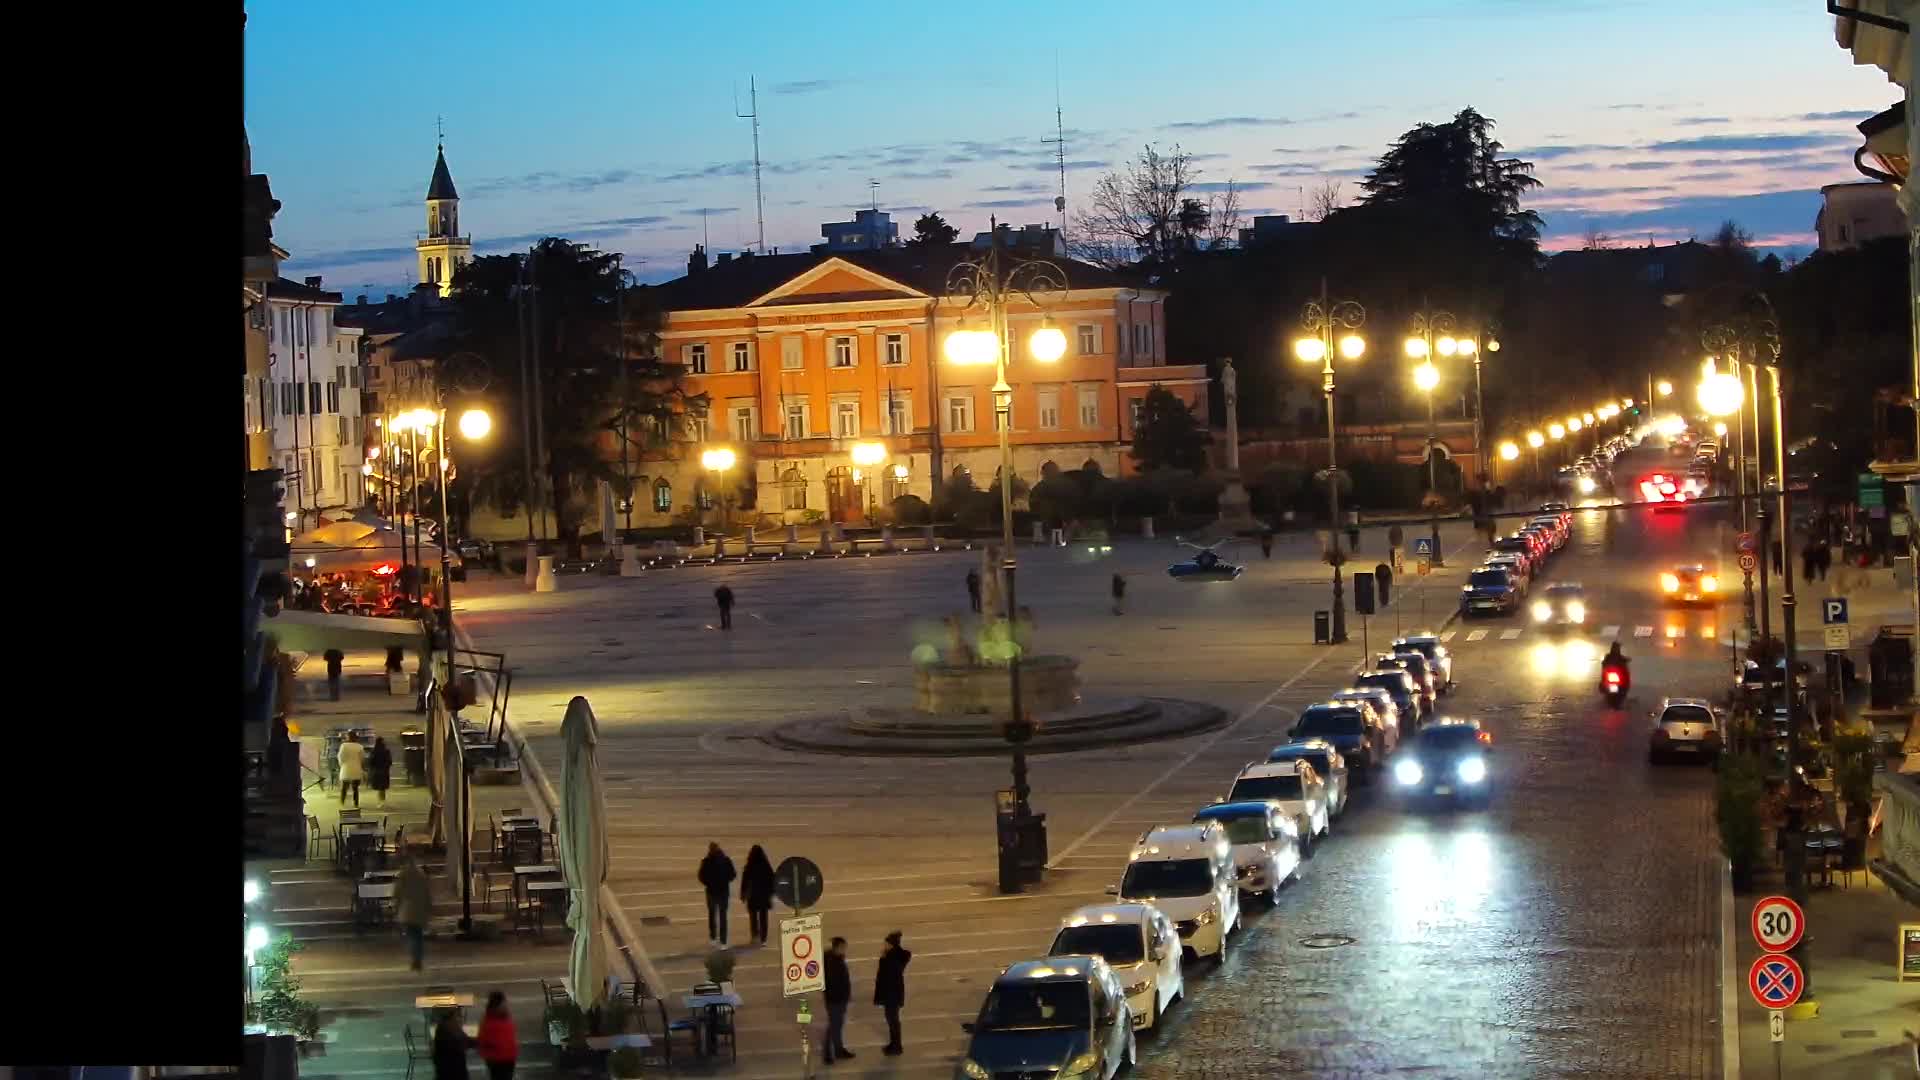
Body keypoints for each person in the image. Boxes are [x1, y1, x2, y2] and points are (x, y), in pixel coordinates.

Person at [873, 930, 911, 1056]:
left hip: (891, 996)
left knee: (893, 1021)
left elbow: (885, 978)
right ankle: (894, 1044)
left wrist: (884, 958)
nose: (884, 946)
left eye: (887, 944)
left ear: (892, 945)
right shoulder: (898, 956)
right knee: (893, 1021)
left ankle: (896, 1046)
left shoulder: (891, 959)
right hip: (894, 994)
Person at [698, 842, 736, 947]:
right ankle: (723, 940)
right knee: (723, 916)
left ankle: (713, 937)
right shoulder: (726, 860)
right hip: (723, 891)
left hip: (711, 892)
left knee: (712, 915)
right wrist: (725, 881)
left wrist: (708, 883)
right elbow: (733, 874)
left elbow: (701, 876)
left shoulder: (706, 861)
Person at [397, 856, 432, 971]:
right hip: (419, 910)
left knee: (411, 935)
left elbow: (397, 892)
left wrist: (396, 907)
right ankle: (417, 958)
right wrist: (429, 908)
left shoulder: (403, 875)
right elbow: (427, 894)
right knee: (418, 936)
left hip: (407, 910)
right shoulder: (421, 875)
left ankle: (415, 958)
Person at [823, 936, 854, 1064]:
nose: (845, 950)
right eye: (843, 947)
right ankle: (829, 1053)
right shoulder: (832, 962)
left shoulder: (833, 958)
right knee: (834, 1026)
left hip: (837, 999)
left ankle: (838, 1049)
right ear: (837, 948)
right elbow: (835, 982)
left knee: (836, 1026)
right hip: (835, 1000)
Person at [475, 991, 517, 1080]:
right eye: (503, 1004)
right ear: (496, 1006)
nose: (506, 1006)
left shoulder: (504, 1017)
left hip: (507, 1058)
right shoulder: (489, 1022)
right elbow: (484, 1041)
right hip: (497, 1060)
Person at [739, 845, 775, 946]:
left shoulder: (749, 866)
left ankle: (755, 936)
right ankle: (763, 939)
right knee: (764, 918)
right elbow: (772, 880)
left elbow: (745, 882)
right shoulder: (766, 866)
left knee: (753, 918)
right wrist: (772, 893)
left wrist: (743, 894)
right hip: (764, 895)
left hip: (753, 896)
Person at [432, 1009, 469, 1079]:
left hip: (448, 1068)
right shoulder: (449, 1027)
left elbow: (464, 1040)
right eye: (459, 1016)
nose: (461, 1019)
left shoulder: (447, 1026)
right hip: (451, 1069)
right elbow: (463, 1041)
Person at [336, 733, 365, 808]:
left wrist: (341, 765)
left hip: (346, 768)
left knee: (344, 788)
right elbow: (362, 758)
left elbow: (340, 757)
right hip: (356, 768)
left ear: (348, 737)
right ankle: (356, 803)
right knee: (355, 788)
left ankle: (342, 802)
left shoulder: (344, 746)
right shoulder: (360, 746)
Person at [367, 737, 393, 807]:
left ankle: (380, 801)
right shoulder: (386, 751)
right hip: (384, 771)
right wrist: (386, 767)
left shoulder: (373, 751)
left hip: (376, 771)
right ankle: (382, 801)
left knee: (379, 787)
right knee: (382, 788)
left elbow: (370, 762)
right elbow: (389, 761)